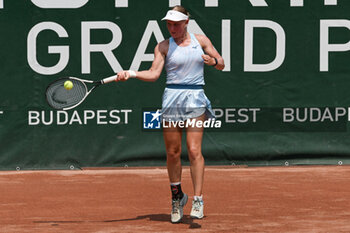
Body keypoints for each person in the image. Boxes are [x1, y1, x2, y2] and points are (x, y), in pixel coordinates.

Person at [116, 5, 225, 223]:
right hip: (172, 100)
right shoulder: (163, 46)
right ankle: (177, 198)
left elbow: (221, 63)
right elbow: (155, 74)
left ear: (186, 22)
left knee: (194, 151)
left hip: (195, 99)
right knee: (173, 153)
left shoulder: (201, 41)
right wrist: (132, 73)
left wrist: (212, 62)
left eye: (176, 24)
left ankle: (198, 200)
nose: (172, 28)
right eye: (169, 24)